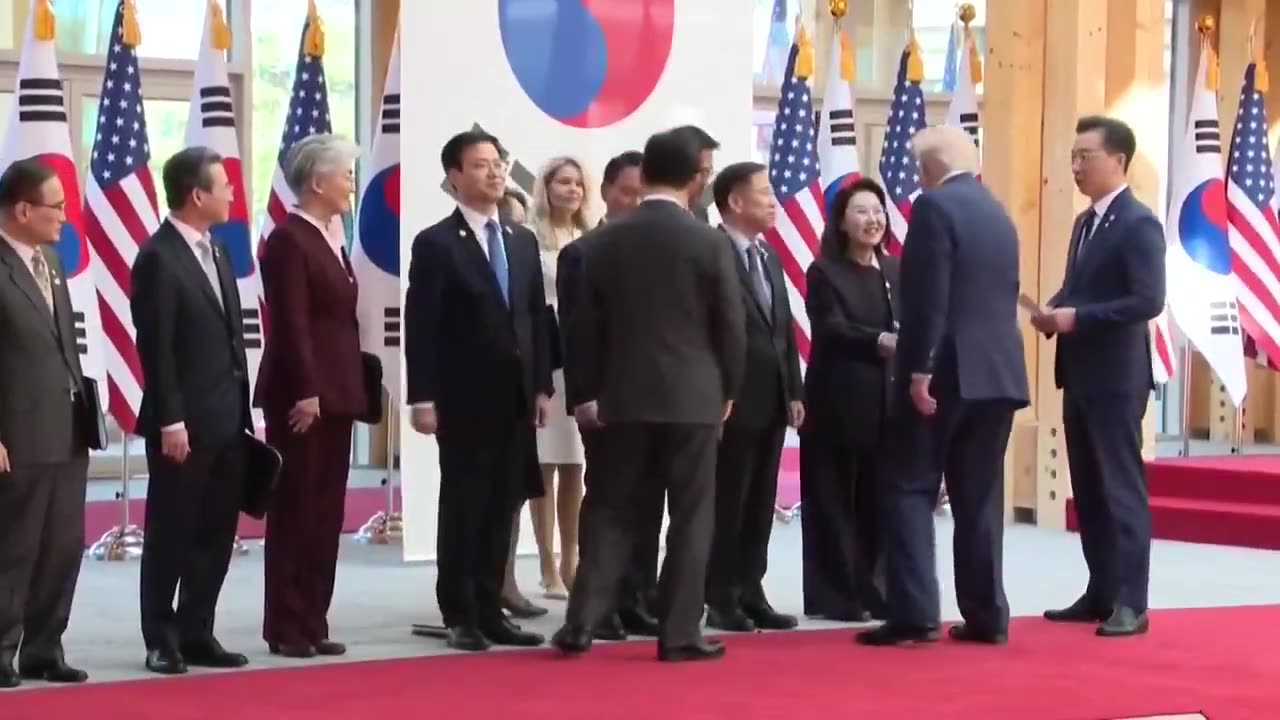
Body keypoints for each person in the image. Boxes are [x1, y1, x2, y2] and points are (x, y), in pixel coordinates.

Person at [551, 128, 746, 662]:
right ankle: (678, 631)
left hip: (623, 396)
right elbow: (731, 326)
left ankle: (581, 622)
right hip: (695, 397)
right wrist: (729, 389)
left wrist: (589, 393)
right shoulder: (709, 242)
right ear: (697, 177)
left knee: (611, 511)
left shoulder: (599, 242)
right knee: (690, 516)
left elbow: (582, 330)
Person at [857, 126, 1029, 647]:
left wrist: (919, 370)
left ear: (926, 169)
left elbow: (929, 298)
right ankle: (987, 615)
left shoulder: (934, 209)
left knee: (908, 486)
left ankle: (913, 613)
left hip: (945, 373)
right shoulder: (997, 212)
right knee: (979, 498)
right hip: (998, 375)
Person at [404, 129, 552, 652]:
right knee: (465, 504)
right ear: (455, 175)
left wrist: (540, 386)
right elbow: (422, 326)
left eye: (498, 163)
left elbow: (534, 317)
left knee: (504, 502)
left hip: (515, 398)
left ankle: (492, 607)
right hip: (462, 399)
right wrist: (422, 398)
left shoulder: (520, 239)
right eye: (481, 164)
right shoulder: (436, 243)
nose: (494, 173)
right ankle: (460, 611)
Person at [1033, 116, 1164, 637]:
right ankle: (1101, 590)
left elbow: (1147, 300)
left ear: (1119, 160)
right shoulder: (1086, 222)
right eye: (1074, 156)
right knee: (1087, 488)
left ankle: (1132, 601)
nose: (1077, 166)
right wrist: (1054, 308)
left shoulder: (1138, 223)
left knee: (1119, 489)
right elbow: (1079, 287)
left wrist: (1078, 318)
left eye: (1086, 156)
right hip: (1079, 374)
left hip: (1116, 377)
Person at [132, 147, 254, 673]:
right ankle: (160, 636)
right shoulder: (158, 256)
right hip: (182, 423)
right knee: (172, 532)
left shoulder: (219, 251)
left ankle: (197, 629)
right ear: (197, 194)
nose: (232, 193)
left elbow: (230, 341)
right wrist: (170, 419)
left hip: (227, 418)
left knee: (215, 531)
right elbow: (155, 347)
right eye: (224, 185)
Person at [255, 134, 367, 659]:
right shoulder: (288, 240)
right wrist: (305, 390)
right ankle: (286, 624)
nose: (351, 183)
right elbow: (293, 322)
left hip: (339, 393)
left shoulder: (331, 235)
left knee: (327, 511)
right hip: (304, 396)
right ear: (318, 182)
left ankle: (314, 618)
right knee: (297, 509)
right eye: (346, 174)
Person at [557, 150, 660, 640]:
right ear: (606, 193)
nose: (635, 202)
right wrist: (584, 396)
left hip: (656, 399)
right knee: (608, 501)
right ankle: (598, 607)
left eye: (644, 194)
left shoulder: (662, 251)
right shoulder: (583, 252)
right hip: (606, 399)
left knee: (647, 505)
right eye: (627, 193)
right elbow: (576, 335)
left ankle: (636, 598)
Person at [0, 159, 93, 688]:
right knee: (15, 546)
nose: (64, 216)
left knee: (62, 544)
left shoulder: (50, 261)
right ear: (22, 209)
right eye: (56, 206)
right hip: (18, 431)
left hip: (66, 426)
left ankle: (44, 647)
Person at [705, 161, 802, 633]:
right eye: (764, 194)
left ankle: (751, 589)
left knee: (761, 501)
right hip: (728, 401)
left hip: (772, 401)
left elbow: (781, 331)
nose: (774, 202)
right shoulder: (711, 252)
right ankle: (720, 595)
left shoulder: (769, 257)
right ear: (735, 202)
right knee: (728, 501)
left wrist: (794, 390)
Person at [799, 178, 898, 623]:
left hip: (888, 403)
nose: (872, 219)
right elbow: (831, 328)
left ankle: (875, 589)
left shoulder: (895, 269)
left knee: (878, 500)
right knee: (833, 499)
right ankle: (833, 593)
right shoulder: (824, 270)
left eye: (877, 211)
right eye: (861, 211)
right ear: (841, 221)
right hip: (837, 400)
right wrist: (880, 341)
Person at [529, 156, 589, 600]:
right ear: (546, 188)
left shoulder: (592, 237)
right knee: (544, 467)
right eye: (564, 182)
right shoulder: (529, 238)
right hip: (546, 360)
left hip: (580, 359)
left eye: (578, 183)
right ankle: (546, 564)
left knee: (576, 468)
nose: (572, 190)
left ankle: (572, 557)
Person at [670, 125, 719, 223]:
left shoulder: (699, 212)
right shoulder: (646, 213)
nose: (706, 182)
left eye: (709, 173)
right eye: (704, 172)